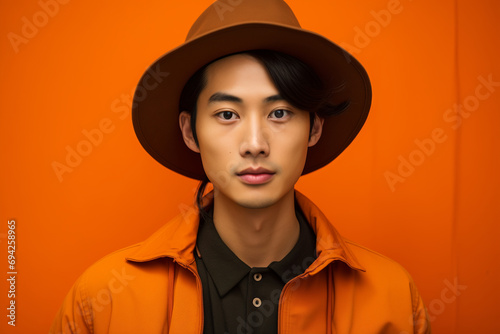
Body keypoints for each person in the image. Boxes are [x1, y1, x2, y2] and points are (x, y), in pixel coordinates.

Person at [50, 0, 431, 333]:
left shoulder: (393, 299)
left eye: (280, 113)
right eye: (227, 114)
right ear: (190, 131)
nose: (254, 144)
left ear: (314, 127)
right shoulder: (103, 301)